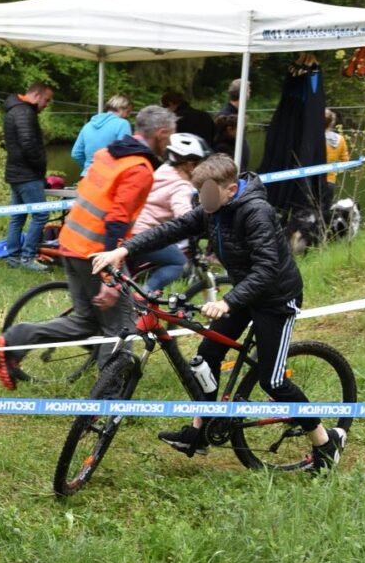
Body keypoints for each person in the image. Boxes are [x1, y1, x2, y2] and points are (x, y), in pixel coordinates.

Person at [90, 154, 346, 470]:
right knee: (206, 355)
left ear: (230, 188)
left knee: (273, 381)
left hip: (276, 300)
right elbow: (172, 228)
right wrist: (123, 249)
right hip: (244, 294)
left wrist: (227, 302)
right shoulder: (213, 209)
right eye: (199, 194)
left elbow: (267, 267)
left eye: (208, 193)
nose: (202, 200)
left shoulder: (256, 212)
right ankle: (200, 432)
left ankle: (325, 442)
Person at [0, 105, 177, 389]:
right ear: (161, 133)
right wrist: (111, 277)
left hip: (71, 243)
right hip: (96, 253)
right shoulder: (138, 168)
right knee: (122, 327)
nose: (170, 142)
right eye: (170, 136)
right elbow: (117, 220)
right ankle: (108, 398)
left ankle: (16, 339)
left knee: (87, 322)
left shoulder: (109, 153)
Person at [129, 133, 213, 293]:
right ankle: (143, 297)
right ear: (189, 164)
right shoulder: (180, 186)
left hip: (132, 229)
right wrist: (204, 222)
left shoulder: (164, 170)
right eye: (198, 164)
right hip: (145, 233)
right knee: (178, 263)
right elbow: (185, 215)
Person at [2, 82, 55, 273]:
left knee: (17, 216)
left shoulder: (13, 109)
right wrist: (40, 166)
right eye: (46, 100)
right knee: (41, 215)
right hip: (27, 174)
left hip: (15, 173)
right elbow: (28, 144)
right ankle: (28, 257)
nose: (47, 104)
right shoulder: (25, 113)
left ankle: (13, 257)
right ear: (36, 95)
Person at [72, 94, 133, 177]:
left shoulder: (88, 125)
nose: (127, 116)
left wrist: (88, 167)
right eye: (127, 112)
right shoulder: (122, 124)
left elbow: (76, 153)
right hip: (109, 178)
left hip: (87, 177)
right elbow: (125, 153)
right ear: (120, 108)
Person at [323, 108, 350, 216]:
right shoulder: (340, 139)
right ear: (332, 122)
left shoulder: (312, 138)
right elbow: (345, 161)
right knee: (325, 211)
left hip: (311, 180)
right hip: (330, 180)